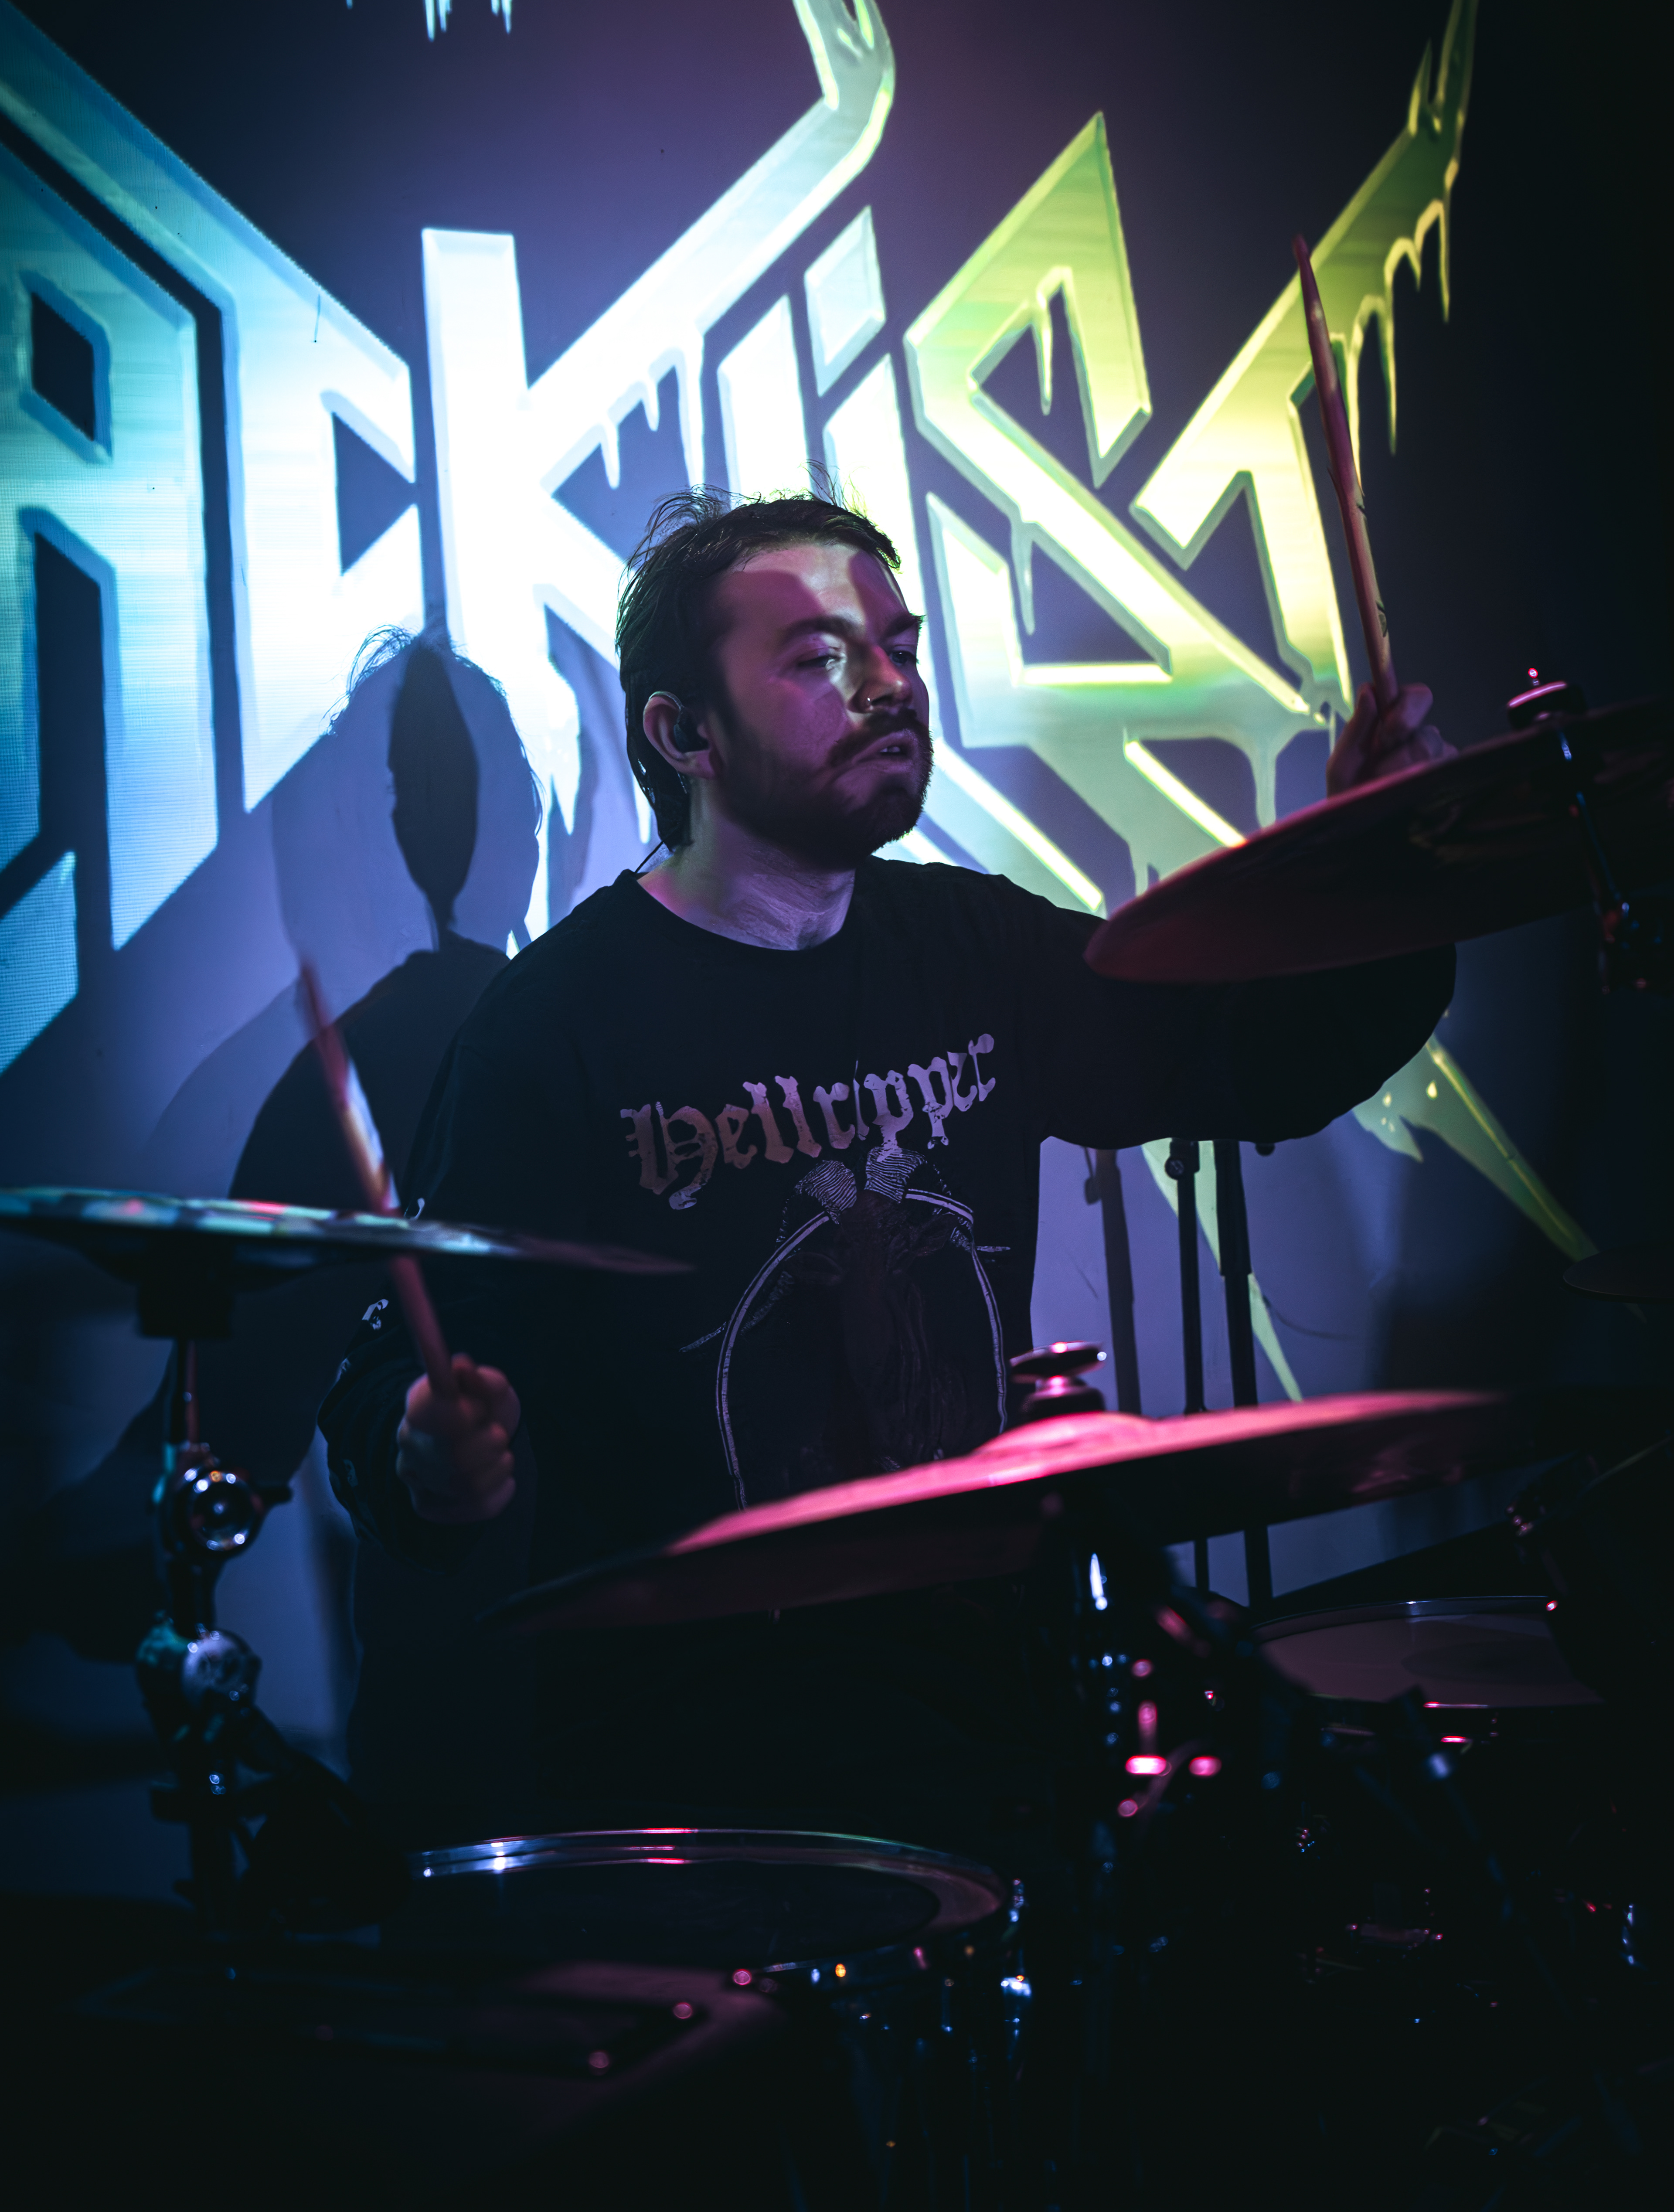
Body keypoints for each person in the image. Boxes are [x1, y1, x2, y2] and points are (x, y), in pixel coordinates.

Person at [320, 488, 1454, 1854]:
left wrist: (1389, 858)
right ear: (684, 735)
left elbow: (1260, 1058)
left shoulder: (972, 948)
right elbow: (401, 1384)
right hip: (697, 1775)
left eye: (898, 648)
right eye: (818, 658)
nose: (888, 686)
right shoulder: (554, 1028)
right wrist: (430, 1454)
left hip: (980, 1715)